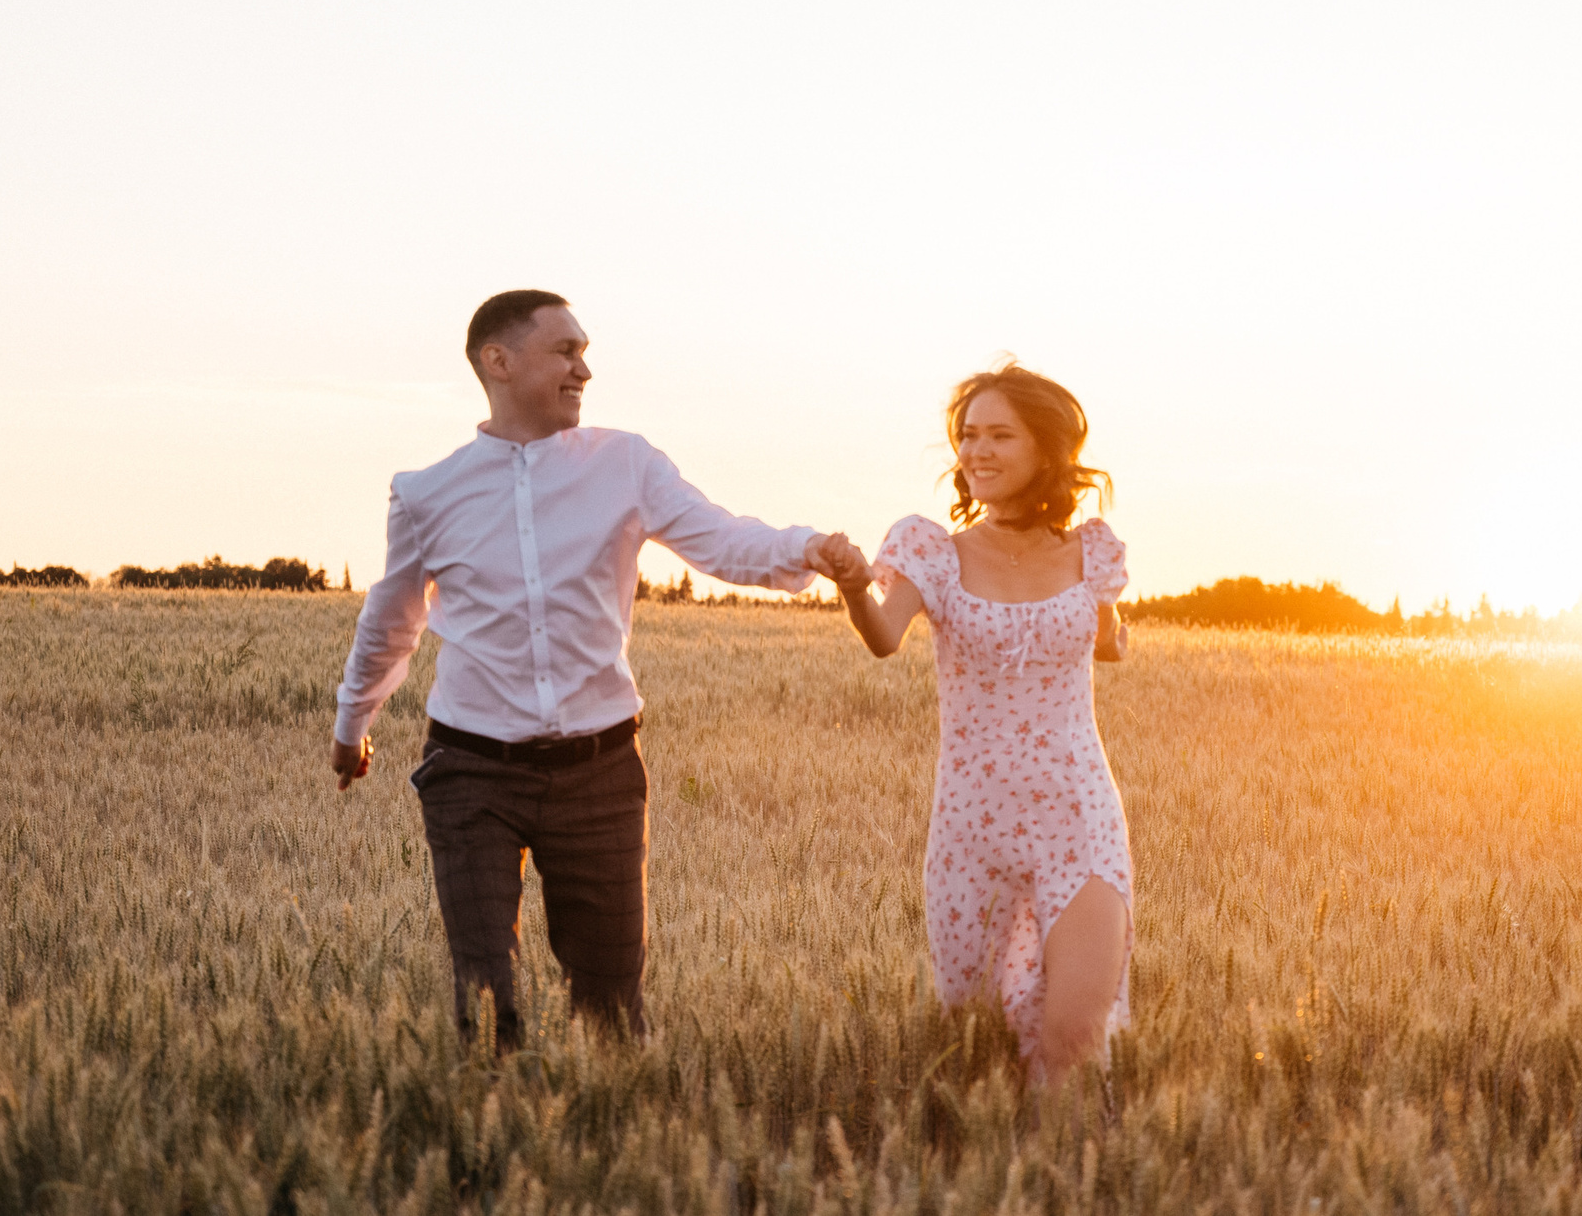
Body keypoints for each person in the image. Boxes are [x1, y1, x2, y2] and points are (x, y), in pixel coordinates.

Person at [329, 289, 857, 1049]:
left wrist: (805, 547)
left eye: (584, 351)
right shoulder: (426, 492)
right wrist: (352, 726)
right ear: (498, 361)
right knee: (483, 998)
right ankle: (490, 1156)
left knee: (612, 1005)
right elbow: (393, 620)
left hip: (601, 767)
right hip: (471, 767)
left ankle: (608, 1144)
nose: (586, 368)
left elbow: (718, 538)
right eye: (566, 351)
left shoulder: (626, 463)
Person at [817, 362, 1134, 1086]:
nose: (977, 450)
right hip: (972, 826)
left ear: (1047, 450)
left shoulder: (1093, 552)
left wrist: (1116, 636)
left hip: (1078, 816)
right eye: (967, 435)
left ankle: (1069, 1188)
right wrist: (852, 586)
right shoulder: (932, 550)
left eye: (1000, 434)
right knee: (980, 1043)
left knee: (1074, 1038)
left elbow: (1108, 637)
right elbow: (883, 635)